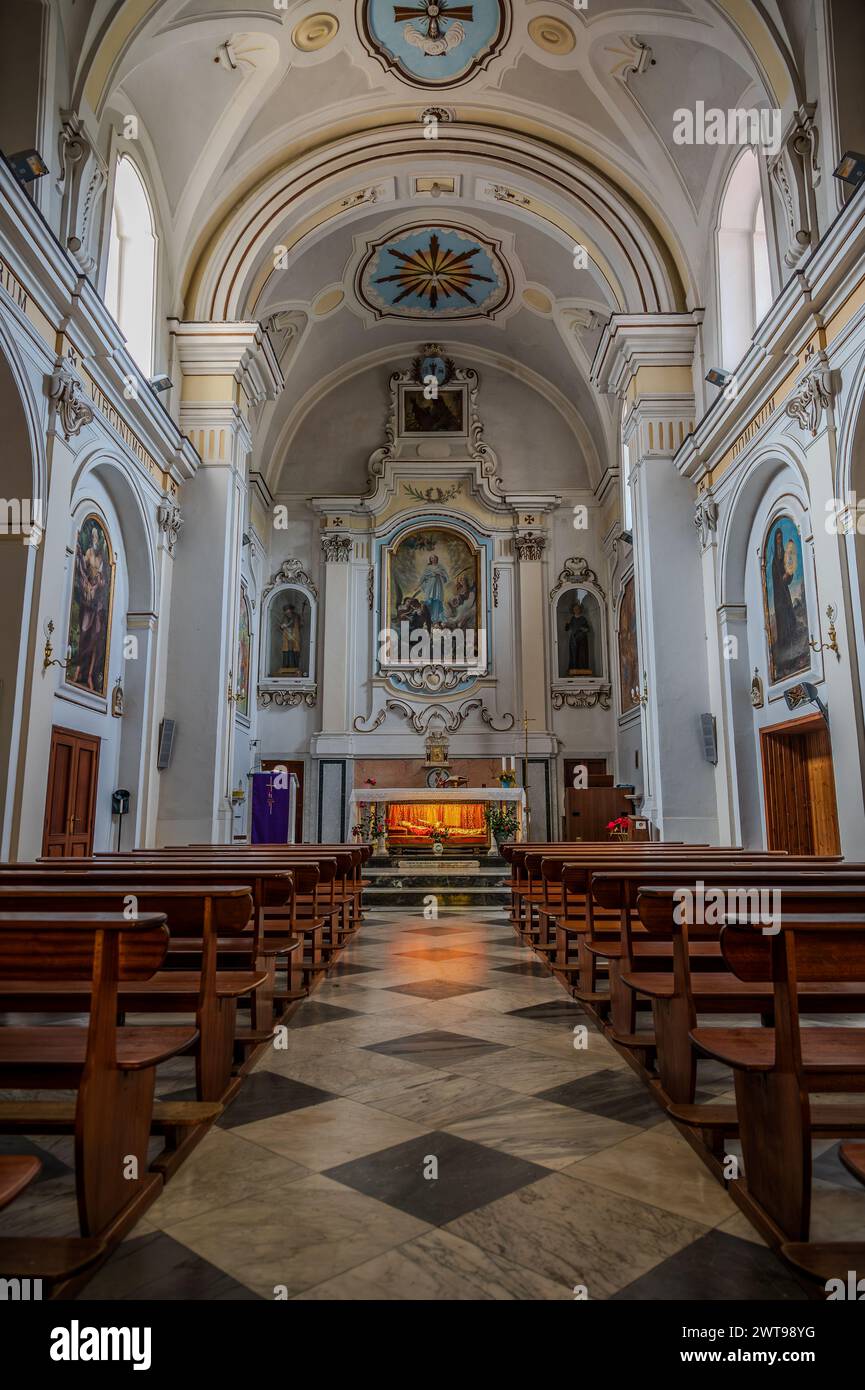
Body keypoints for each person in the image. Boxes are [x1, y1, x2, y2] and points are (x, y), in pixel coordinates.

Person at [74, 523, 109, 690]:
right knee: (84, 634)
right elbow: (82, 569)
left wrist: (98, 585)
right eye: (93, 536)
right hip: (88, 601)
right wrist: (89, 585)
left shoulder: (101, 557)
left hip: (98, 603)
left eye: (96, 536)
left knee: (95, 636)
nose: (95, 538)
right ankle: (79, 670)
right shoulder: (89, 554)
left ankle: (88, 675)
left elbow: (102, 579)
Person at [770, 526, 797, 654]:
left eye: (781, 538)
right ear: (776, 541)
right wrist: (781, 578)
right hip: (778, 595)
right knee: (781, 616)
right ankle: (784, 642)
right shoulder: (774, 561)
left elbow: (789, 571)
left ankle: (792, 636)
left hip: (785, 592)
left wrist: (788, 574)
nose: (780, 541)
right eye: (778, 539)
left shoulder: (784, 557)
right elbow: (776, 578)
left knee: (789, 612)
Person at [420, 553, 448, 624]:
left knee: (436, 601)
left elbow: (446, 577)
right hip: (430, 586)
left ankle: (435, 618)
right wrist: (431, 574)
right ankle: (429, 617)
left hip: (437, 586)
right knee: (429, 601)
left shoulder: (440, 567)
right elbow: (423, 577)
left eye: (435, 557)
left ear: (437, 559)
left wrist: (440, 574)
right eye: (432, 558)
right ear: (430, 559)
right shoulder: (428, 567)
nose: (433, 559)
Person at [565, 600, 592, 675]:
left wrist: (581, 629)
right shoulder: (572, 619)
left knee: (582, 654)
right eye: (575, 609)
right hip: (573, 639)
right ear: (573, 610)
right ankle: (574, 669)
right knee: (573, 654)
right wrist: (567, 624)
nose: (576, 610)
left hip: (582, 639)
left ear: (580, 609)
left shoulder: (583, 618)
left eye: (578, 609)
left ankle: (582, 669)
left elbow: (587, 629)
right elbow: (567, 629)